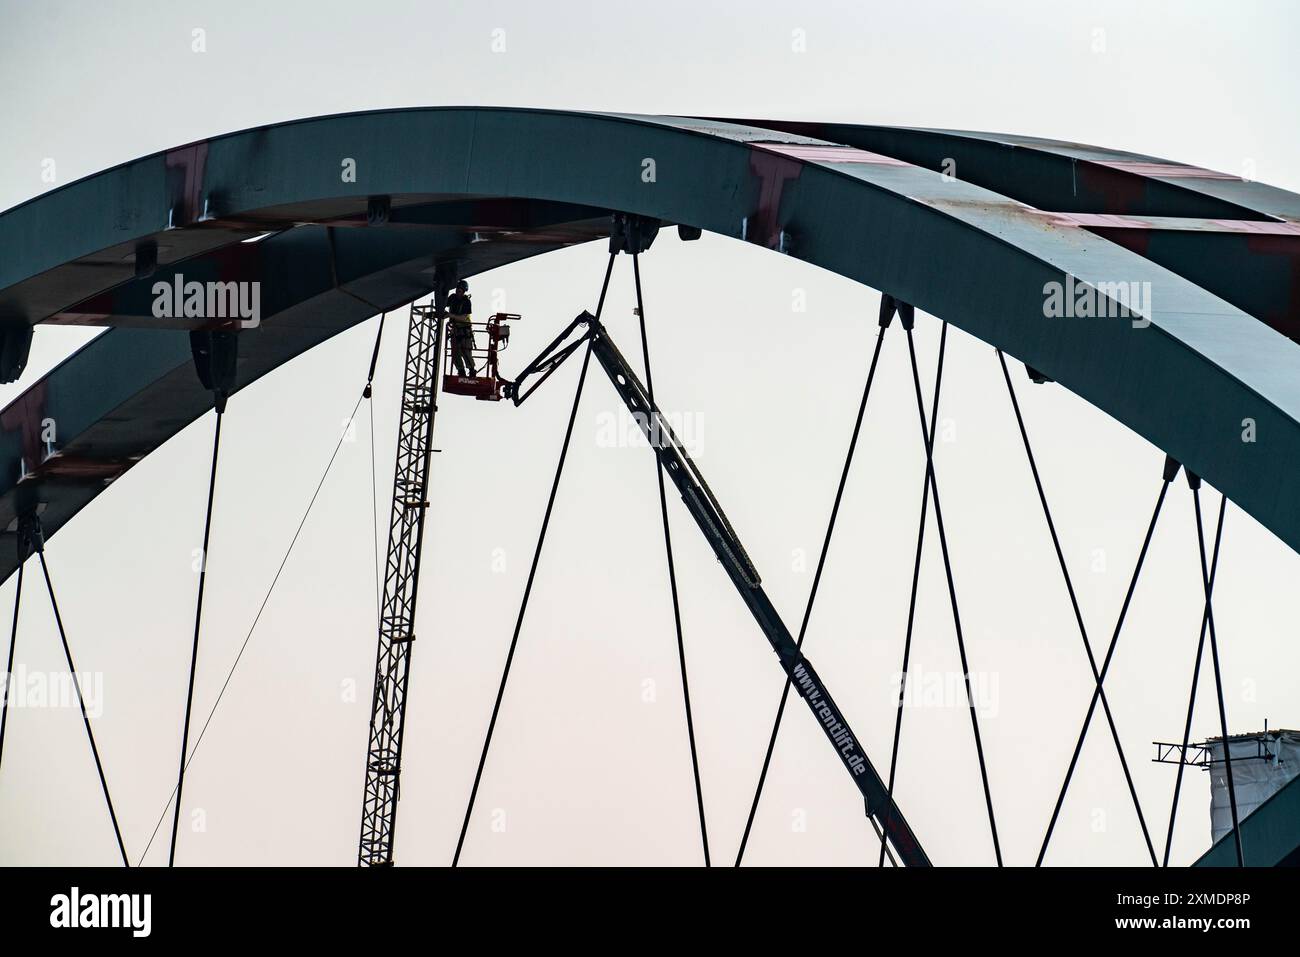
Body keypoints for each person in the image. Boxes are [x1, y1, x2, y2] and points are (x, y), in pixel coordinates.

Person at [446, 280, 477, 377]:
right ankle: (461, 371)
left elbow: (464, 317)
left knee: (465, 352)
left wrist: (450, 315)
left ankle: (472, 370)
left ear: (464, 291)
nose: (458, 292)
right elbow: (444, 303)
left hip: (465, 330)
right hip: (455, 330)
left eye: (460, 290)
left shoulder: (466, 301)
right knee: (455, 352)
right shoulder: (452, 298)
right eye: (457, 289)